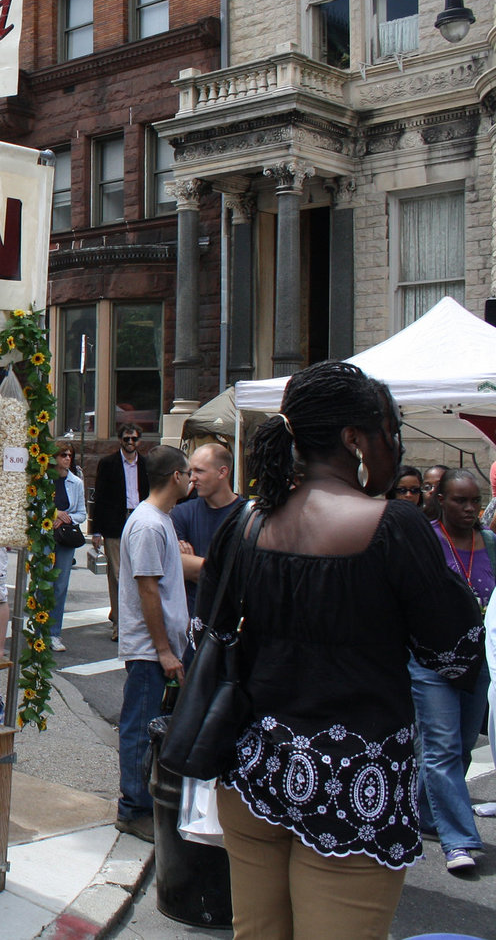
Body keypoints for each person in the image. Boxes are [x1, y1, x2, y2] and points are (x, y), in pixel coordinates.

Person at [199, 362, 481, 937]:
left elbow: (208, 631)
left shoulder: (247, 523)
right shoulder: (394, 527)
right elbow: (455, 653)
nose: (393, 446)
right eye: (389, 430)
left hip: (253, 769)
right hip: (355, 786)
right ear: (355, 439)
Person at [409, 467, 493, 873]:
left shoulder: (491, 543)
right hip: (430, 661)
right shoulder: (425, 540)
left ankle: (424, 813)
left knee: (459, 746)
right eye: (460, 500)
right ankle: (459, 841)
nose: (470, 508)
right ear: (440, 499)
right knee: (441, 748)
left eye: (475, 500)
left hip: (479, 661)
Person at [113, 445, 191, 842]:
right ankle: (133, 808)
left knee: (150, 727)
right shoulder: (148, 524)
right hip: (149, 651)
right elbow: (147, 589)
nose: (192, 479)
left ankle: (142, 803)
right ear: (175, 476)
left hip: (160, 648)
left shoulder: (160, 520)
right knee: (140, 728)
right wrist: (162, 649)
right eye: (188, 472)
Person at [90, 424, 150, 641]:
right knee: (117, 575)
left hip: (139, 520)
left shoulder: (146, 464)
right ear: (120, 440)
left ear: (139, 441)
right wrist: (96, 531)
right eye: (126, 439)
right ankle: (120, 624)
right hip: (115, 523)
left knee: (140, 572)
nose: (130, 443)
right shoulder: (108, 464)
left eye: (134, 439)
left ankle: (133, 620)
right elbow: (100, 497)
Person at [171, 443, 244, 614]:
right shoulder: (182, 513)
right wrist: (228, 569)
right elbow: (175, 565)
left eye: (200, 471)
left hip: (233, 617)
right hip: (193, 619)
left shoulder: (248, 515)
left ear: (222, 472)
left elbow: (249, 573)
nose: (192, 478)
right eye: (191, 472)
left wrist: (197, 565)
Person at [48, 443, 87, 652]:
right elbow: (34, 506)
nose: (67, 459)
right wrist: (53, 513)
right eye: (63, 455)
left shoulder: (76, 483)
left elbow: (82, 513)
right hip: (45, 535)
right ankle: (39, 631)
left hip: (65, 537)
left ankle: (54, 633)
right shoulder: (45, 480)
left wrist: (67, 517)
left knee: (60, 585)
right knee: (43, 582)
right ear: (54, 457)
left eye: (70, 455)